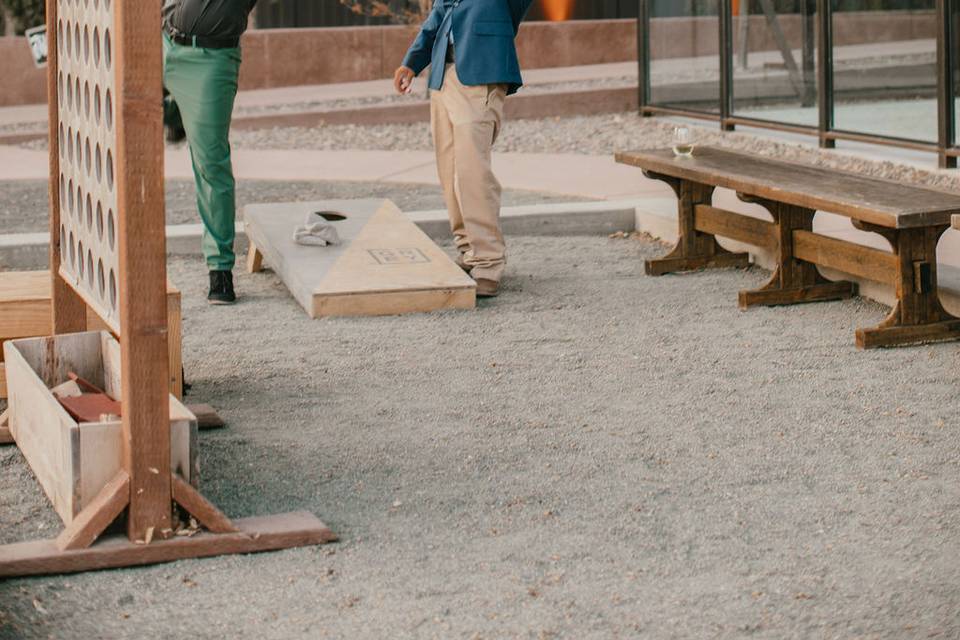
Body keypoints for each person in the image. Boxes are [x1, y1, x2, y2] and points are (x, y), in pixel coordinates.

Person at [395, 0, 533, 298]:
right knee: (451, 172)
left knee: (472, 173)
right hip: (443, 76)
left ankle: (489, 261)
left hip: (481, 75)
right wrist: (412, 62)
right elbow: (438, 16)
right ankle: (469, 251)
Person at [162, 0, 257, 304]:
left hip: (211, 60)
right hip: (162, 43)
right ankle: (175, 113)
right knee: (122, 110)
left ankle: (220, 268)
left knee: (211, 164)